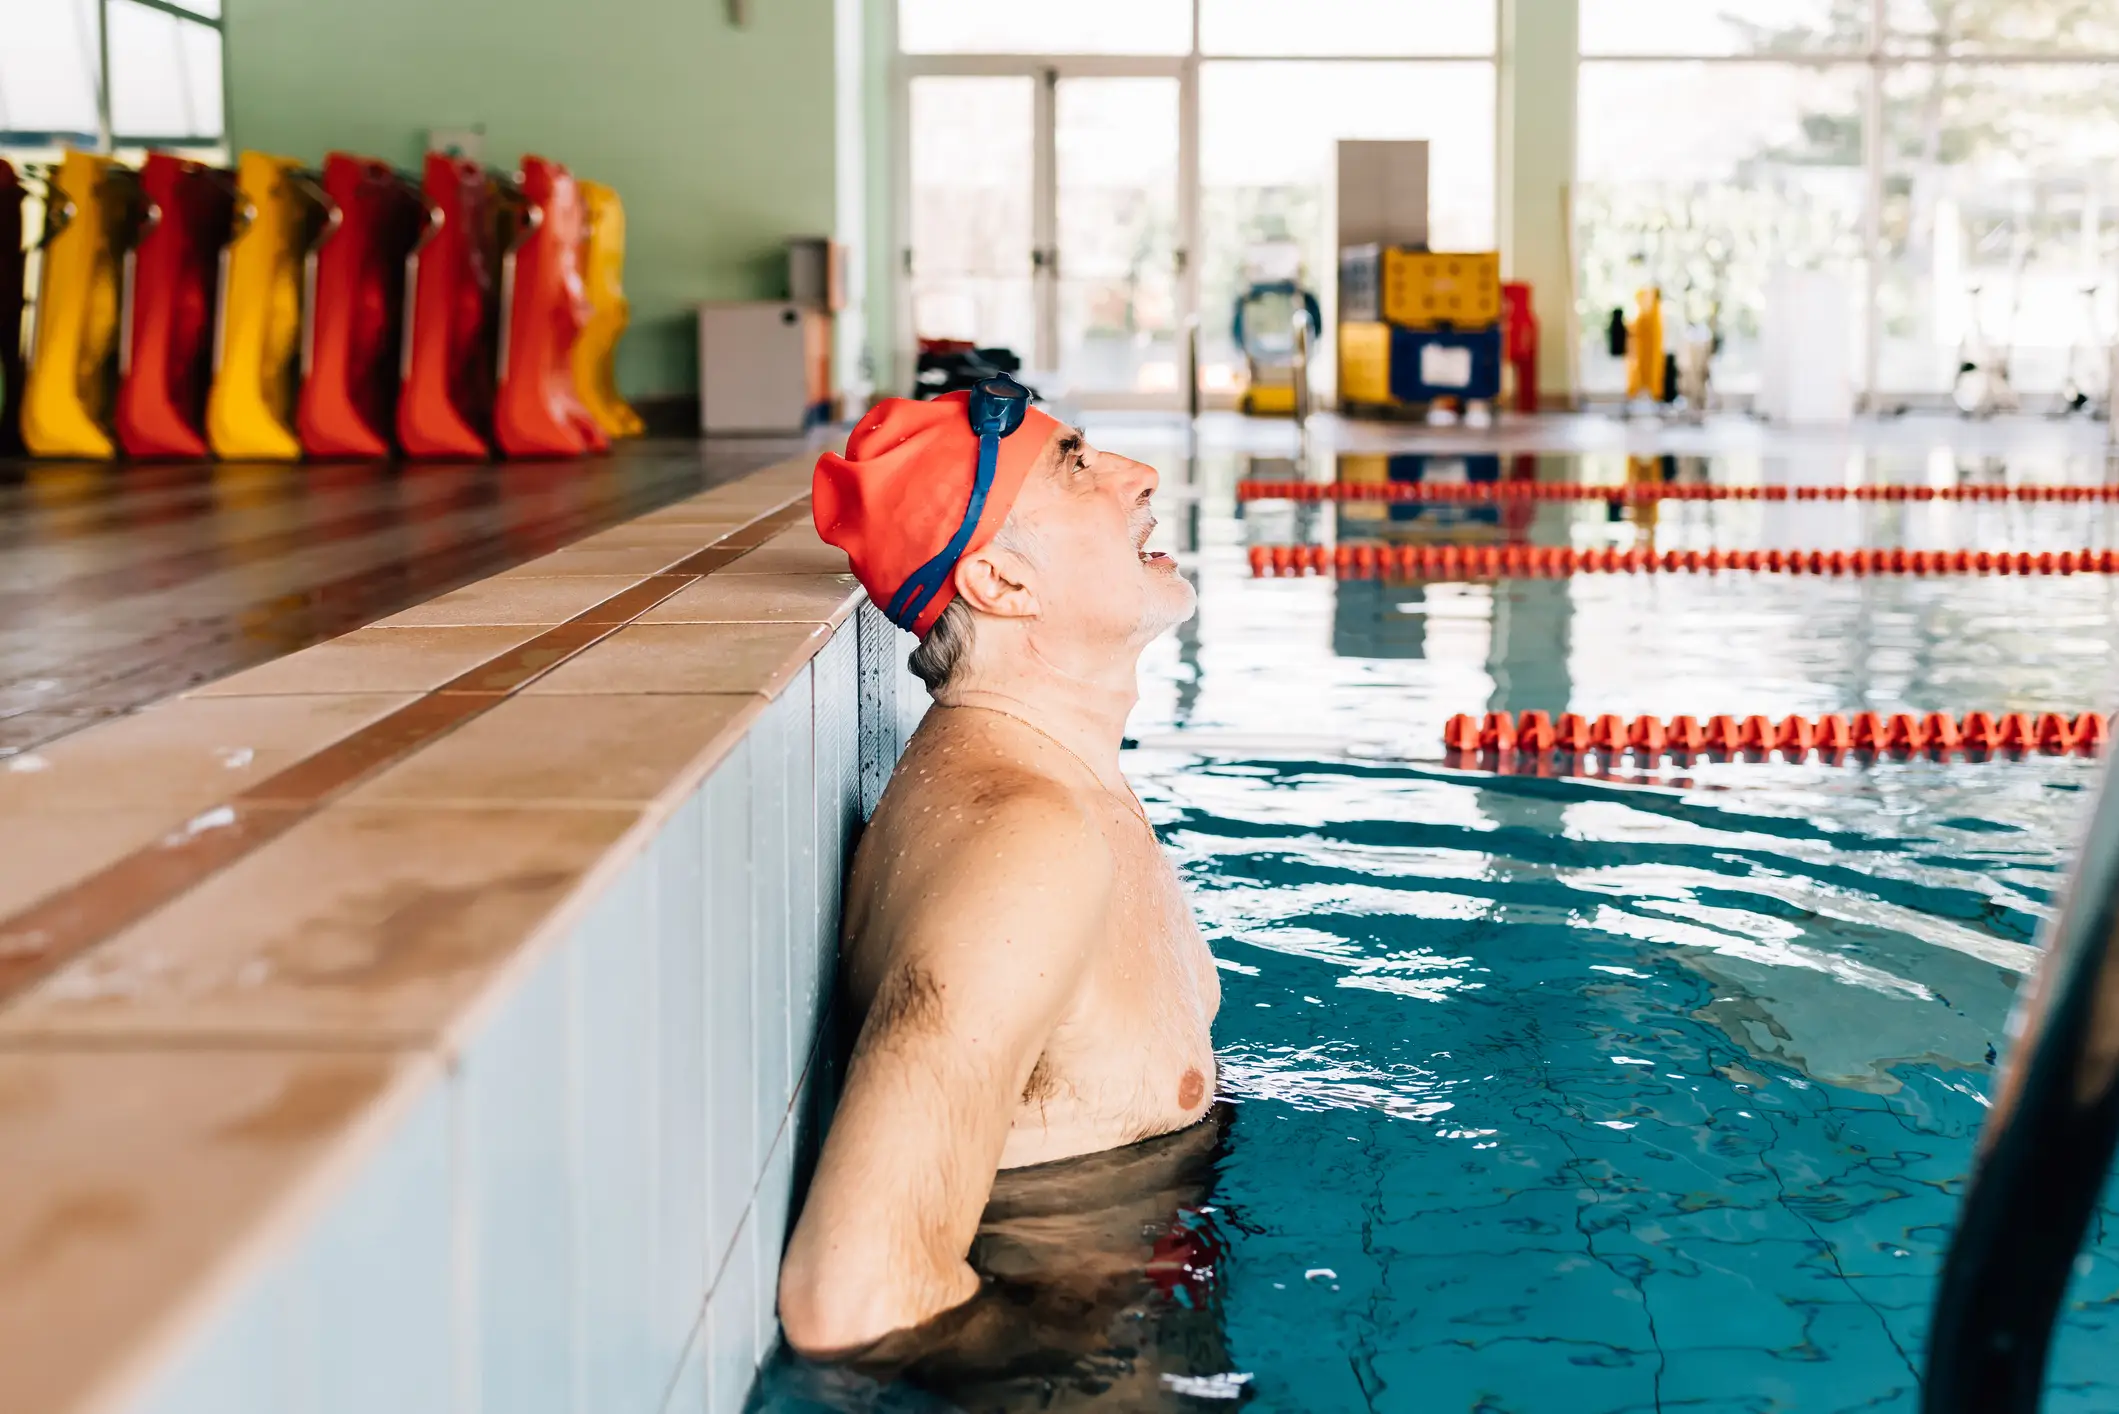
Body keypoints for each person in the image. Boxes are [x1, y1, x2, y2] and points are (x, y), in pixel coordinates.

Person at [776, 379, 1221, 1359]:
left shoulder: (1059, 780)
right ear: (1002, 584)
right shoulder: (1027, 844)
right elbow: (850, 1297)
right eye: (1077, 468)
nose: (1139, 475)